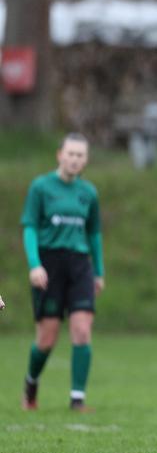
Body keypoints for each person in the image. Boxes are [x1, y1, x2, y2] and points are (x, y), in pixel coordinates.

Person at [21, 133, 105, 412]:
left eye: (80, 155)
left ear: (86, 161)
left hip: (80, 265)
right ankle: (31, 382)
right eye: (70, 153)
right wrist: (35, 264)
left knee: (82, 330)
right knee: (47, 338)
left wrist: (99, 272)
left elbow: (93, 233)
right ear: (60, 155)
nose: (74, 159)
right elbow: (30, 227)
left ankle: (77, 398)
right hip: (49, 264)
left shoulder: (89, 193)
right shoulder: (41, 187)